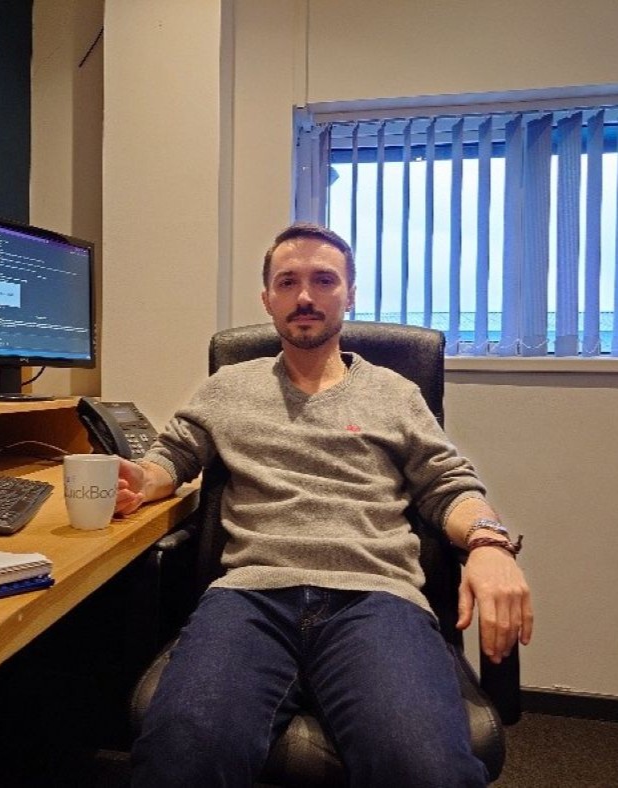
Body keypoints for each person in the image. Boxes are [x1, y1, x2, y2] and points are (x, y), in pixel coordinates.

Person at [114, 222, 533, 787]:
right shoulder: (227, 388)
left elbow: (449, 485)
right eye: (288, 282)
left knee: (425, 768)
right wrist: (139, 480)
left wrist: (489, 543)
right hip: (250, 598)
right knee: (182, 754)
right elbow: (172, 457)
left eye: (324, 280)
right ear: (267, 298)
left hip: (376, 599)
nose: (305, 296)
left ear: (349, 294)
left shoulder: (394, 393)